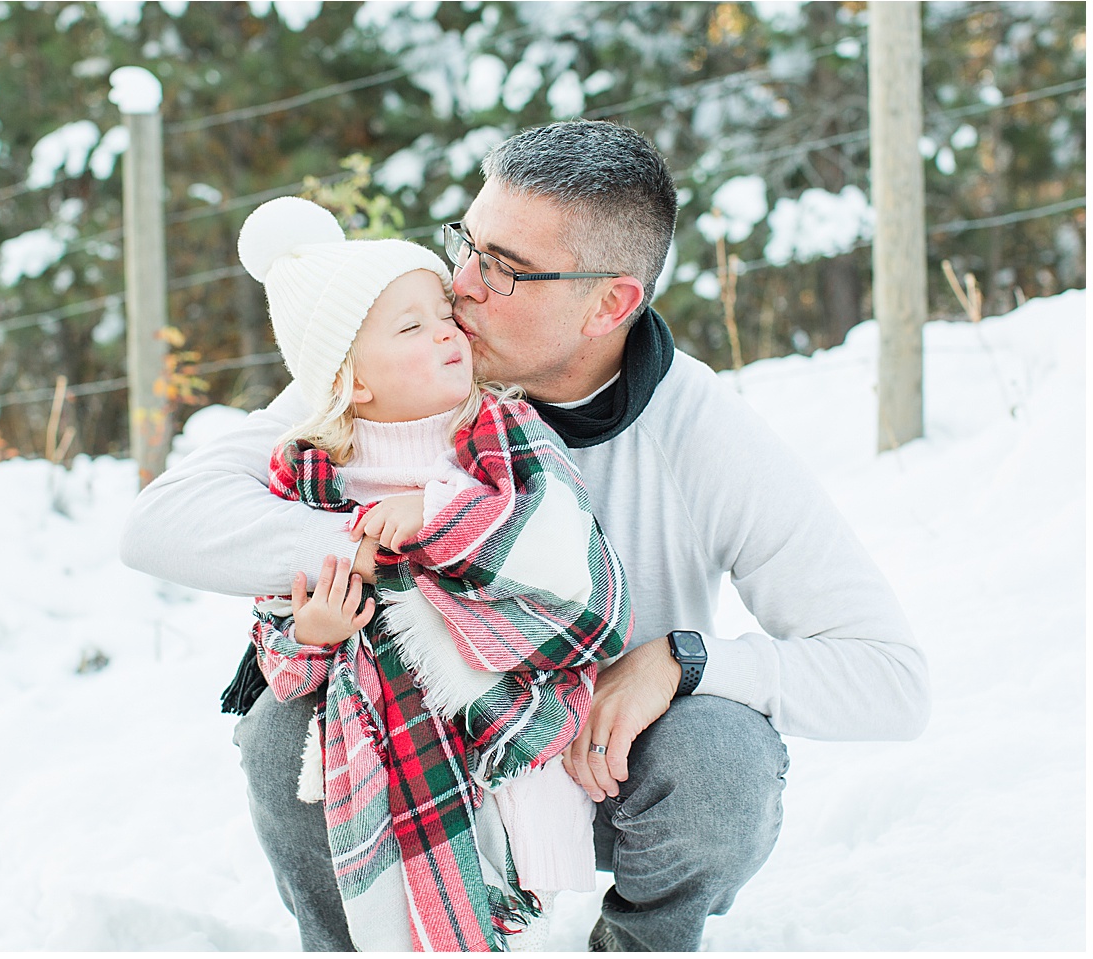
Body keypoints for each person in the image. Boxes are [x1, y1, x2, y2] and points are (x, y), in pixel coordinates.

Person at [121, 120, 931, 952]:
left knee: (724, 750)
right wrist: (391, 550)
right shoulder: (399, 375)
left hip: (591, 766)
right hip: (410, 771)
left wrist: (685, 659)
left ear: (610, 302)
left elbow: (891, 679)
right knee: (278, 727)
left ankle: (637, 941)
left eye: (503, 268)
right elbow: (162, 523)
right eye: (466, 243)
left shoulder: (700, 434)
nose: (461, 283)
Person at [227, 195, 630, 951]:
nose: (448, 329)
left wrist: (438, 513)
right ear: (355, 382)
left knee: (515, 915)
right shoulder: (312, 473)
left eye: (441, 312)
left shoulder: (499, 427)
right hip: (390, 753)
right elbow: (275, 638)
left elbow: (564, 550)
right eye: (412, 327)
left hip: (511, 728)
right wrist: (314, 634)